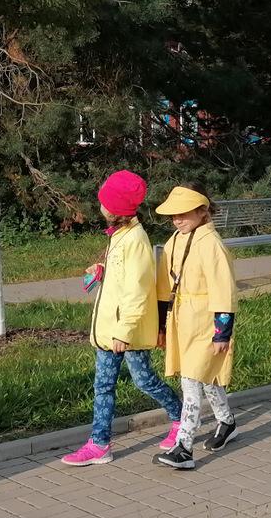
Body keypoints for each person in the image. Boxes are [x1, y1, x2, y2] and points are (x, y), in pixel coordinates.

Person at [61, 171, 181, 467]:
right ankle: (99, 444)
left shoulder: (136, 240)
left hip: (127, 332)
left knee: (144, 381)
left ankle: (181, 417)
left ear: (115, 208)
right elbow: (122, 277)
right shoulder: (119, 235)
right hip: (108, 330)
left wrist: (124, 332)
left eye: (103, 202)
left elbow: (138, 291)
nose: (100, 206)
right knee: (103, 386)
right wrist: (103, 270)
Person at [153, 183, 239, 470]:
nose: (177, 220)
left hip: (206, 322)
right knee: (205, 375)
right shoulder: (174, 241)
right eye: (173, 216)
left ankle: (184, 446)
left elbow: (223, 290)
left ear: (203, 211)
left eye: (183, 214)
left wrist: (222, 332)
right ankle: (226, 421)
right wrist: (161, 325)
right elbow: (164, 285)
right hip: (182, 320)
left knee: (191, 381)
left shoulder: (211, 244)